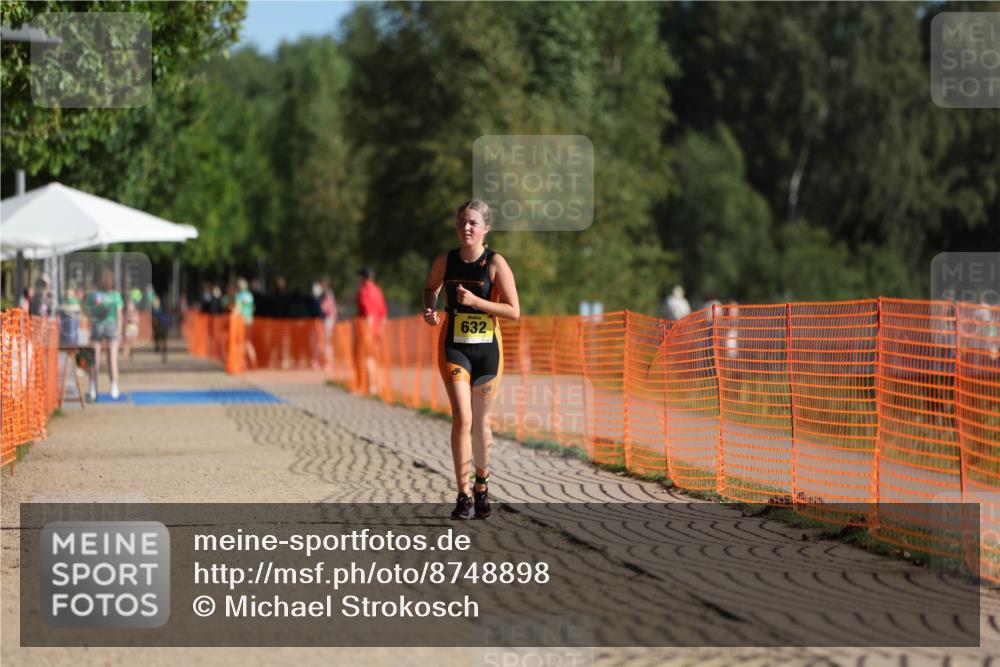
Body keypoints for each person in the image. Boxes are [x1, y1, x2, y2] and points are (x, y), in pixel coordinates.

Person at [423, 199, 520, 520]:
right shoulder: (445, 260)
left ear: (485, 229)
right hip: (454, 347)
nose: (466, 227)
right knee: (462, 418)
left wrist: (477, 301)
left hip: (488, 351)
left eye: (473, 223)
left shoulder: (495, 264)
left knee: (481, 422)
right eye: (462, 222)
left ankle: (482, 486)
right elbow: (430, 288)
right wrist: (430, 307)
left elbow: (513, 311)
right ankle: (463, 493)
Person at [83, 267, 124, 400]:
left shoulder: (95, 295)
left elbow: (88, 311)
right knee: (112, 359)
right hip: (111, 325)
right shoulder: (116, 295)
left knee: (95, 359)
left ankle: (93, 388)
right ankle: (114, 386)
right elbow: (119, 315)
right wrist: (120, 331)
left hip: (98, 325)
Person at [355, 267, 387, 395]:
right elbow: (383, 311)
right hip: (378, 329)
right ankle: (377, 385)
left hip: (366, 329)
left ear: (363, 277)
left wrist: (368, 326)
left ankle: (369, 386)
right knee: (375, 358)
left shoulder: (363, 291)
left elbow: (367, 311)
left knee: (366, 358)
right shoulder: (378, 290)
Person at [234, 278, 257, 368]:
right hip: (249, 321)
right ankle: (254, 363)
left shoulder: (239, 296)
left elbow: (238, 309)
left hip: (241, 322)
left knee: (240, 342)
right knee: (248, 343)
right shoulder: (250, 296)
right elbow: (252, 308)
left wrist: (233, 315)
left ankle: (241, 363)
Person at [121, 297, 140, 361]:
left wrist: (133, 321)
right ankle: (126, 356)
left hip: (134, 329)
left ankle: (131, 355)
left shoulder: (135, 312)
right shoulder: (126, 313)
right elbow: (124, 321)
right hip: (128, 329)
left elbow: (137, 321)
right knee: (127, 343)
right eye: (129, 305)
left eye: (131, 305)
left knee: (133, 344)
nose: (130, 307)